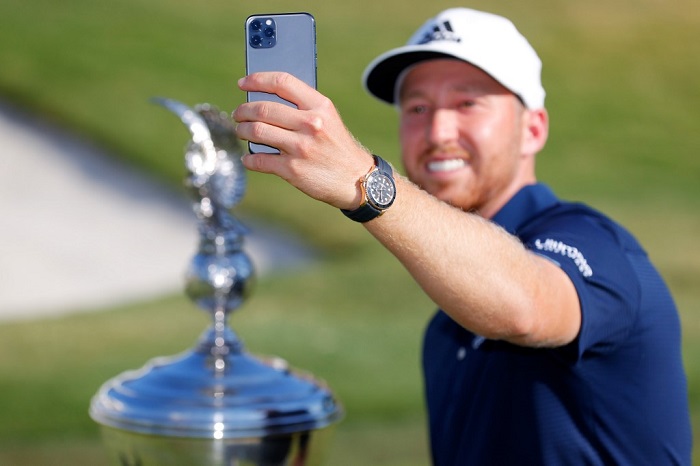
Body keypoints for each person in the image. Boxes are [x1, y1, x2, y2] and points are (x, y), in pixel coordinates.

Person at [233, 7, 692, 465]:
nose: (438, 131)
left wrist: (364, 180)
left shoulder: (595, 244)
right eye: (418, 107)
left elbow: (526, 304)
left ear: (532, 130)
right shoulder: (446, 327)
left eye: (467, 103)